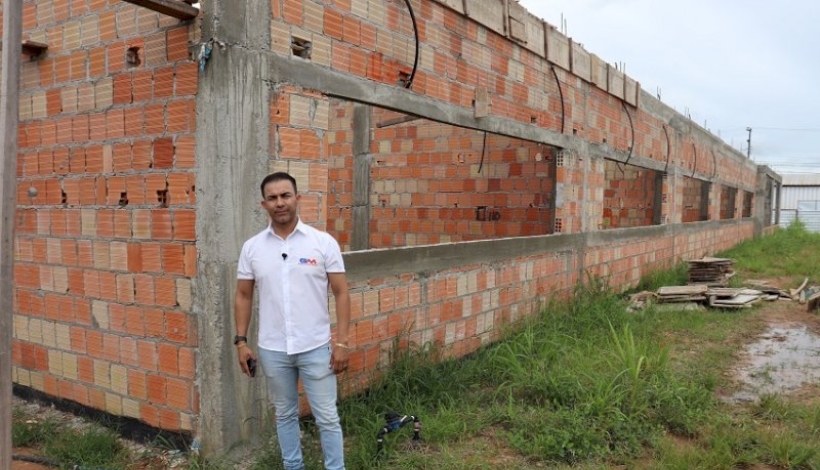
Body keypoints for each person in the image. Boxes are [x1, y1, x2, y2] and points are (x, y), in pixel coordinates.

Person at [234, 171, 351, 470]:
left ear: (297, 198)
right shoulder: (252, 248)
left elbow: (341, 293)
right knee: (285, 414)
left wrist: (342, 343)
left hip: (316, 348)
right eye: (272, 198)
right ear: (264, 204)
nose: (280, 203)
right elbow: (243, 295)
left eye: (285, 195)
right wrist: (241, 342)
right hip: (273, 350)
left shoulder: (322, 243)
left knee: (327, 417)